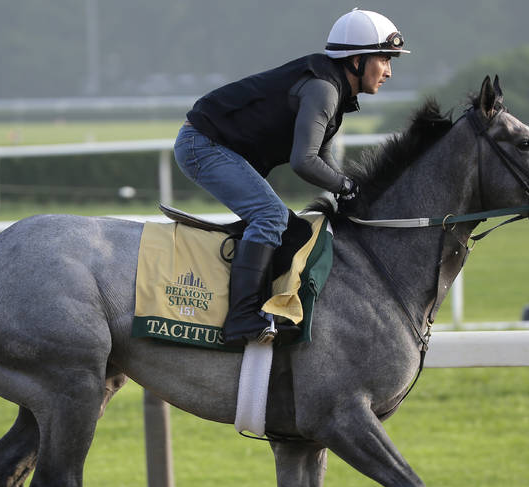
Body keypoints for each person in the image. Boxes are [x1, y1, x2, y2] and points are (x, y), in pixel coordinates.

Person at [174, 8, 409, 347]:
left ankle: (267, 308)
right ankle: (240, 319)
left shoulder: (335, 89)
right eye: (384, 59)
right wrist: (346, 186)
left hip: (219, 145)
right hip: (202, 144)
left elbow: (322, 156)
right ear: (357, 59)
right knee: (269, 216)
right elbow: (304, 161)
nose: (388, 70)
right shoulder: (323, 89)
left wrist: (348, 191)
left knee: (295, 230)